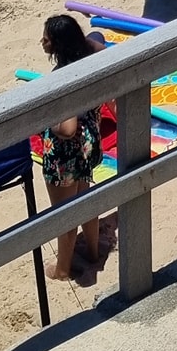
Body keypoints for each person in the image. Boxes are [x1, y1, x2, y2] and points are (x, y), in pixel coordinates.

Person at [38, 16, 104, 280]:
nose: (42, 41)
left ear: (59, 45)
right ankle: (92, 251)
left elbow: (66, 128)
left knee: (64, 213)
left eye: (47, 38)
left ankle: (62, 269)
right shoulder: (92, 56)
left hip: (65, 152)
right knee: (85, 197)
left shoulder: (63, 76)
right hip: (89, 141)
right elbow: (98, 41)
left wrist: (47, 119)